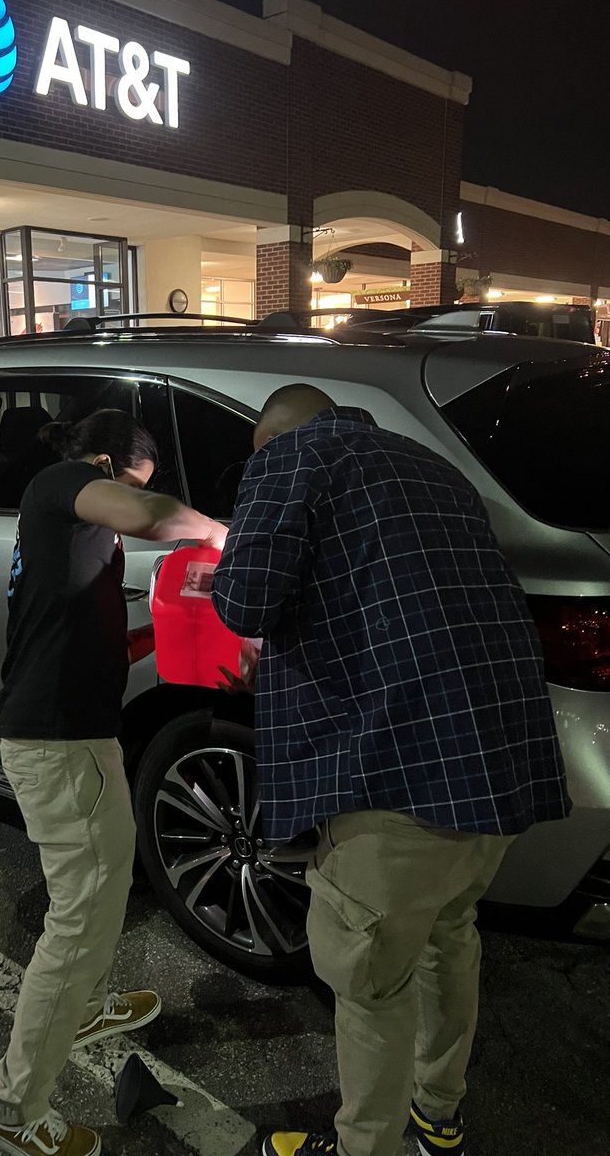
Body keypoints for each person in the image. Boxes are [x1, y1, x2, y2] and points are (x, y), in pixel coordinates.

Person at [211, 384, 569, 1156]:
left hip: (396, 772)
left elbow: (245, 602)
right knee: (449, 938)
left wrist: (230, 582)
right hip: (495, 763)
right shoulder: (433, 465)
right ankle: (438, 1118)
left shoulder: (292, 457)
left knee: (369, 977)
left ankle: (363, 1148)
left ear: (271, 437)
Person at [0, 408, 228, 1156]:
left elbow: (70, 616)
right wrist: (220, 533)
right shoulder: (63, 483)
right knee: (80, 917)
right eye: (130, 479)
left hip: (78, 734)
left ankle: (84, 1005)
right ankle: (10, 1107)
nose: (133, 497)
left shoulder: (70, 529)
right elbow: (150, 516)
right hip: (57, 740)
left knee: (104, 881)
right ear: (103, 462)